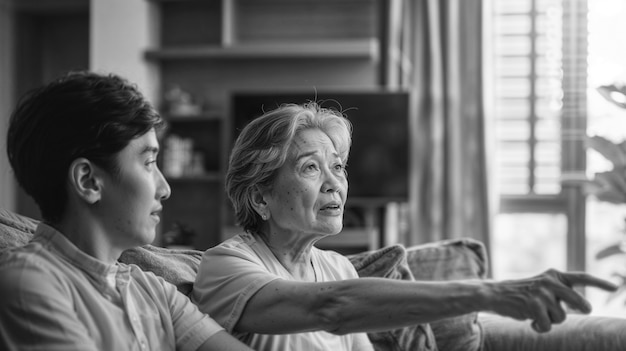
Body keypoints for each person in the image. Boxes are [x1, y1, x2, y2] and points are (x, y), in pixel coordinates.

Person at [192, 102, 625, 351]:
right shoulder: (225, 267)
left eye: (338, 166)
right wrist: (493, 292)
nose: (334, 183)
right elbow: (329, 309)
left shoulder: (336, 268)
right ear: (259, 196)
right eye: (310, 168)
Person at [0, 71, 253, 351]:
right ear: (88, 181)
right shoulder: (27, 283)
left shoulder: (154, 291)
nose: (165, 188)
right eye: (148, 163)